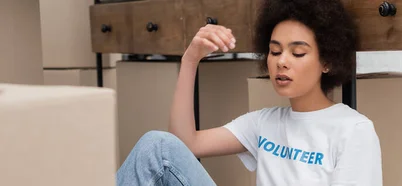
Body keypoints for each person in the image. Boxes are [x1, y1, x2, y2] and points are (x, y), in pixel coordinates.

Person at [116, 0, 382, 185]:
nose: (282, 61)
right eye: (275, 51)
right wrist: (190, 60)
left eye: (297, 52)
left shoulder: (353, 130)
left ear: (327, 62)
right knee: (156, 145)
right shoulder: (264, 123)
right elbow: (184, 145)